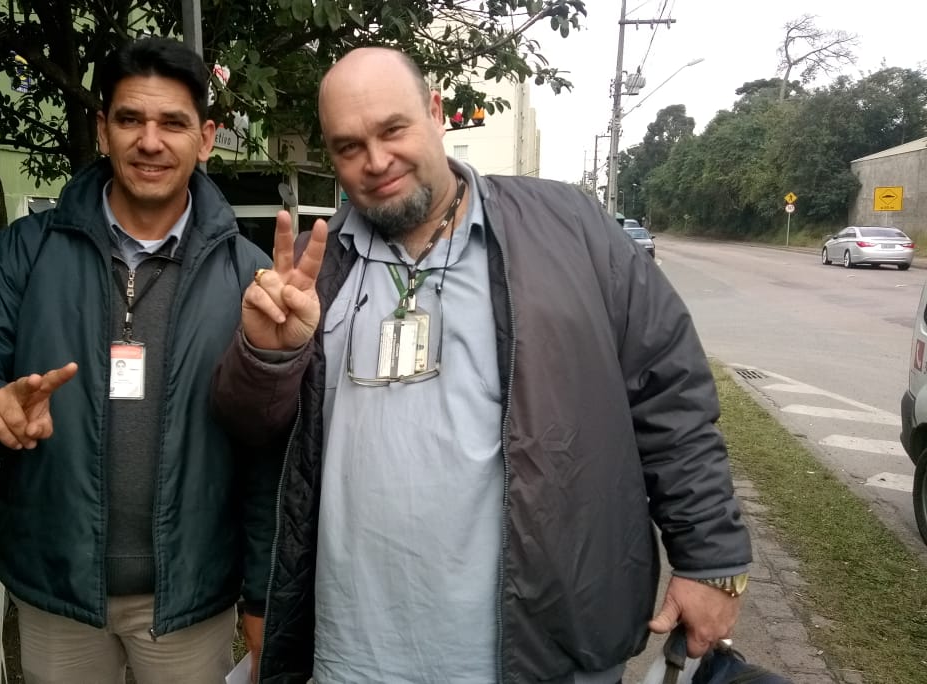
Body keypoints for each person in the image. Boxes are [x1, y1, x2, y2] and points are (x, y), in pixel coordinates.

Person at [211, 48, 753, 684]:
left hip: (541, 648)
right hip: (355, 653)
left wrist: (709, 557)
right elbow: (250, 432)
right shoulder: (313, 267)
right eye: (349, 146)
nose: (376, 161)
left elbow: (669, 393)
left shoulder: (569, 230)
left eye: (393, 129)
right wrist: (269, 356)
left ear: (436, 112)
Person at [0, 36, 276, 684]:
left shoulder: (247, 274)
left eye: (173, 122)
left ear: (205, 138)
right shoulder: (26, 251)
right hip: (57, 586)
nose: (150, 141)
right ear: (104, 131)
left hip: (190, 593)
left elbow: (265, 447)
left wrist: (262, 591)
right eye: (130, 119)